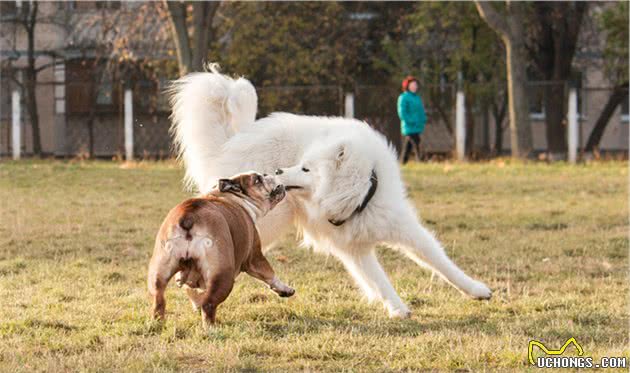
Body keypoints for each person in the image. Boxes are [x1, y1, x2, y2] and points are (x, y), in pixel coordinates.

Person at [397, 76, 427, 164]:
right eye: (413, 85)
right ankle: (420, 160)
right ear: (407, 86)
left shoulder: (417, 98)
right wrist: (410, 121)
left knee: (408, 146)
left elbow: (421, 111)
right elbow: (402, 112)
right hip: (409, 126)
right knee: (416, 142)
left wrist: (423, 120)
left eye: (416, 85)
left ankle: (403, 161)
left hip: (417, 125)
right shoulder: (403, 97)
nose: (415, 86)